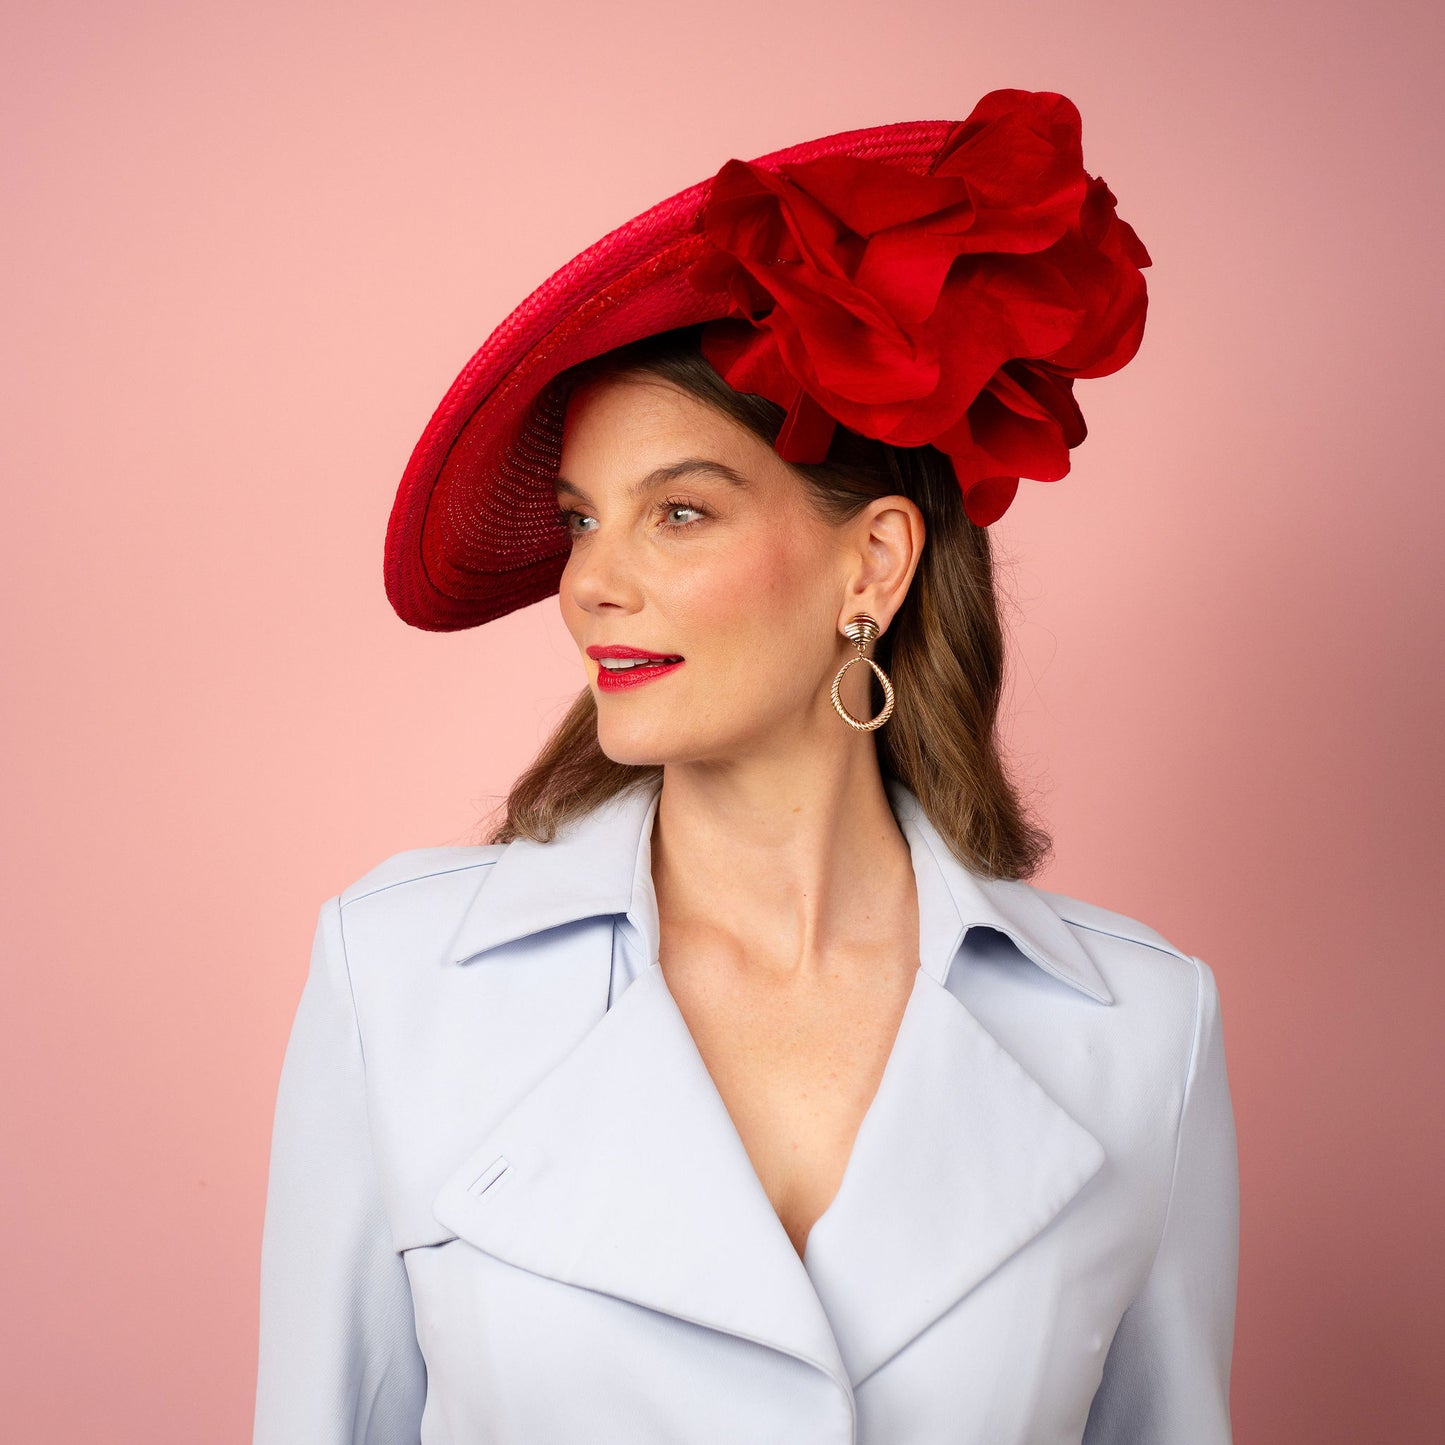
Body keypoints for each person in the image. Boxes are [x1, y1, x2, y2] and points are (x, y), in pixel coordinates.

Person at [254, 90, 1240, 1445]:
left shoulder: (1141, 1032)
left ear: (872, 562)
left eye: (677, 511)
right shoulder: (396, 976)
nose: (591, 581)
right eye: (579, 520)